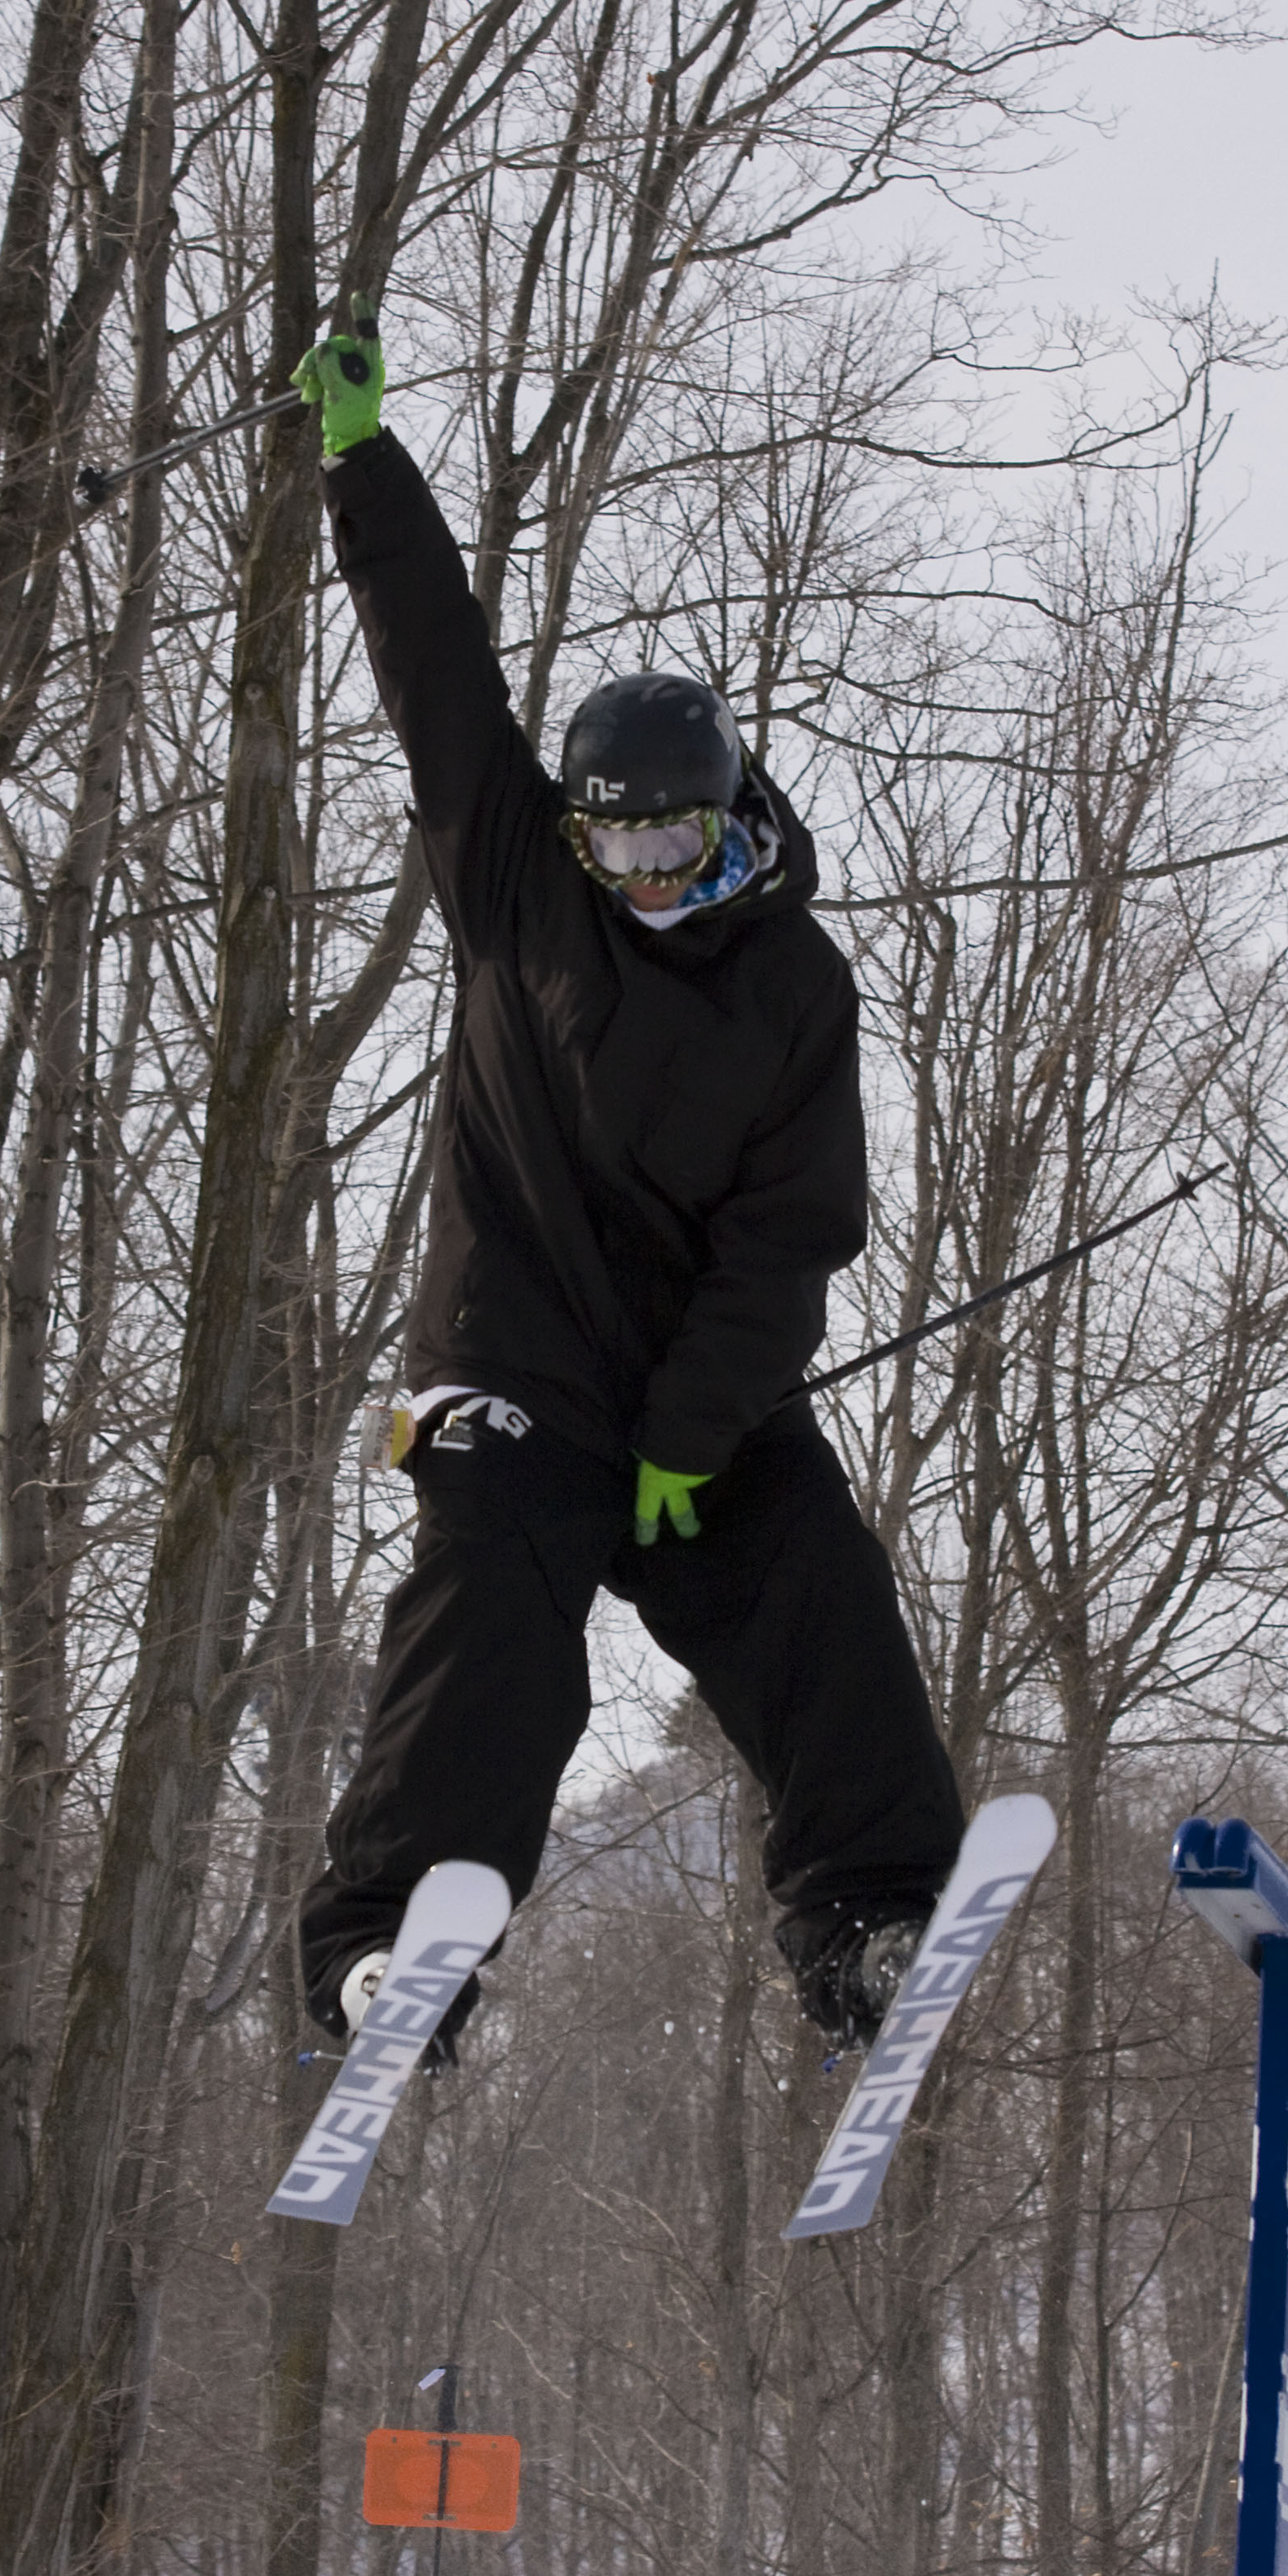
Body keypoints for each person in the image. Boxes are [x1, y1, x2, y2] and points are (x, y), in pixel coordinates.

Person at [290, 298, 963, 2062]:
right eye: (618, 843)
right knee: (490, 1618)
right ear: (574, 832)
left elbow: (792, 1232)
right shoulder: (518, 885)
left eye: (676, 839)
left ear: (732, 814)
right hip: (517, 1371)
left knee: (817, 1583)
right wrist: (363, 462)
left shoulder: (793, 987)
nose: (649, 876)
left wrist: (695, 1426)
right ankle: (390, 1950)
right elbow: (436, 669)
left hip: (692, 1396)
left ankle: (872, 1920)